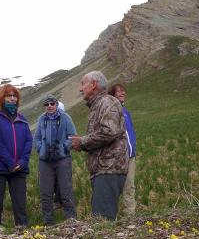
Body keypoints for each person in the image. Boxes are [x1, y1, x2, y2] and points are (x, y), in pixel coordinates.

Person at [70, 71, 129, 220]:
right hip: (103, 169)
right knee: (102, 217)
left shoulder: (107, 102)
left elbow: (109, 131)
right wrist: (83, 143)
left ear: (94, 84)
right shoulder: (98, 105)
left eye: (83, 83)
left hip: (109, 168)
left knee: (102, 220)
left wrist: (82, 141)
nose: (80, 88)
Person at [0, 84, 32, 226]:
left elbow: (29, 141)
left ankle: (23, 235)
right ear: (2, 98)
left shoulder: (22, 119)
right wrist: (9, 162)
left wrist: (22, 162)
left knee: (20, 206)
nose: (12, 98)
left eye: (14, 95)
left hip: (19, 169)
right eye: (8, 95)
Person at [34, 94, 77, 225]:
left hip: (62, 159)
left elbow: (72, 136)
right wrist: (41, 149)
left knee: (66, 190)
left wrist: (64, 148)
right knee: (46, 193)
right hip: (45, 161)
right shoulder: (41, 119)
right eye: (47, 104)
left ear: (56, 104)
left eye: (52, 104)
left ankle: (71, 221)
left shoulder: (66, 117)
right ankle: (49, 223)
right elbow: (36, 138)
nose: (50, 106)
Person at [108, 82, 137, 216]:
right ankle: (110, 217)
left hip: (130, 156)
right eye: (118, 91)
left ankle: (130, 217)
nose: (123, 93)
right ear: (112, 95)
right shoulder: (110, 112)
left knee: (129, 186)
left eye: (123, 91)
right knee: (114, 188)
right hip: (116, 157)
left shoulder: (126, 112)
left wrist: (133, 149)